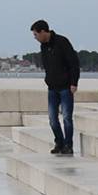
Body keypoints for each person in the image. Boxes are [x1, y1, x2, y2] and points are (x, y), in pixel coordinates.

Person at [30, 18, 80, 154]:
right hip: (52, 88)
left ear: (43, 32)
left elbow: (74, 63)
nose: (35, 38)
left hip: (65, 87)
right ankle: (59, 142)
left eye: (35, 34)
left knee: (66, 118)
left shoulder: (62, 42)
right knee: (52, 119)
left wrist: (74, 83)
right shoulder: (43, 47)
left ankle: (68, 145)